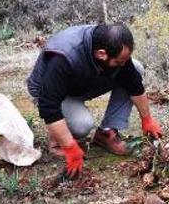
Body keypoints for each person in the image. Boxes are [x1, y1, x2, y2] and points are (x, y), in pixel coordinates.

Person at [27, 23, 162, 178]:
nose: (123, 64)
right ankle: (56, 141)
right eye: (119, 61)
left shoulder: (109, 44)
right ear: (101, 54)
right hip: (49, 92)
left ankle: (105, 133)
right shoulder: (63, 57)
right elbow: (48, 106)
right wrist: (70, 147)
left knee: (135, 68)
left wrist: (147, 119)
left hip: (81, 82)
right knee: (82, 125)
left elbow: (133, 83)